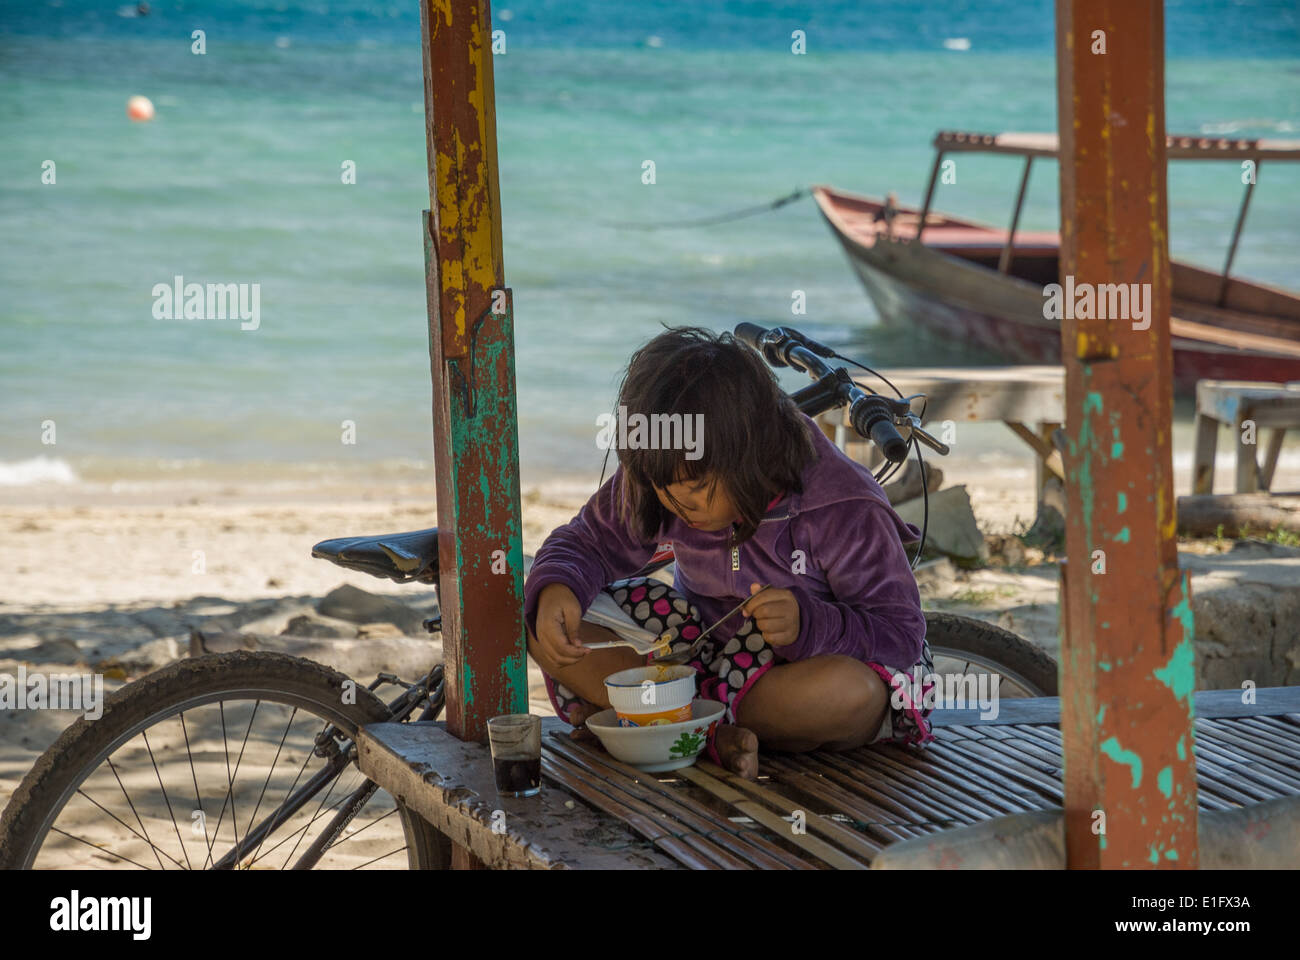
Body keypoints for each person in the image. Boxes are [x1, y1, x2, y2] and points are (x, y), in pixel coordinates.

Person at [523, 326, 933, 780]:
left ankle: (671, 722)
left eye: (697, 489)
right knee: (545, 620)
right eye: (664, 491)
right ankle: (706, 730)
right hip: (695, 654)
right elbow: (587, 542)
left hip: (786, 674)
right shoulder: (666, 462)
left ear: (751, 456)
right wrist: (560, 586)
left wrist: (808, 622)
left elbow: (901, 635)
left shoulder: (843, 506)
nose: (679, 505)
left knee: (852, 693)